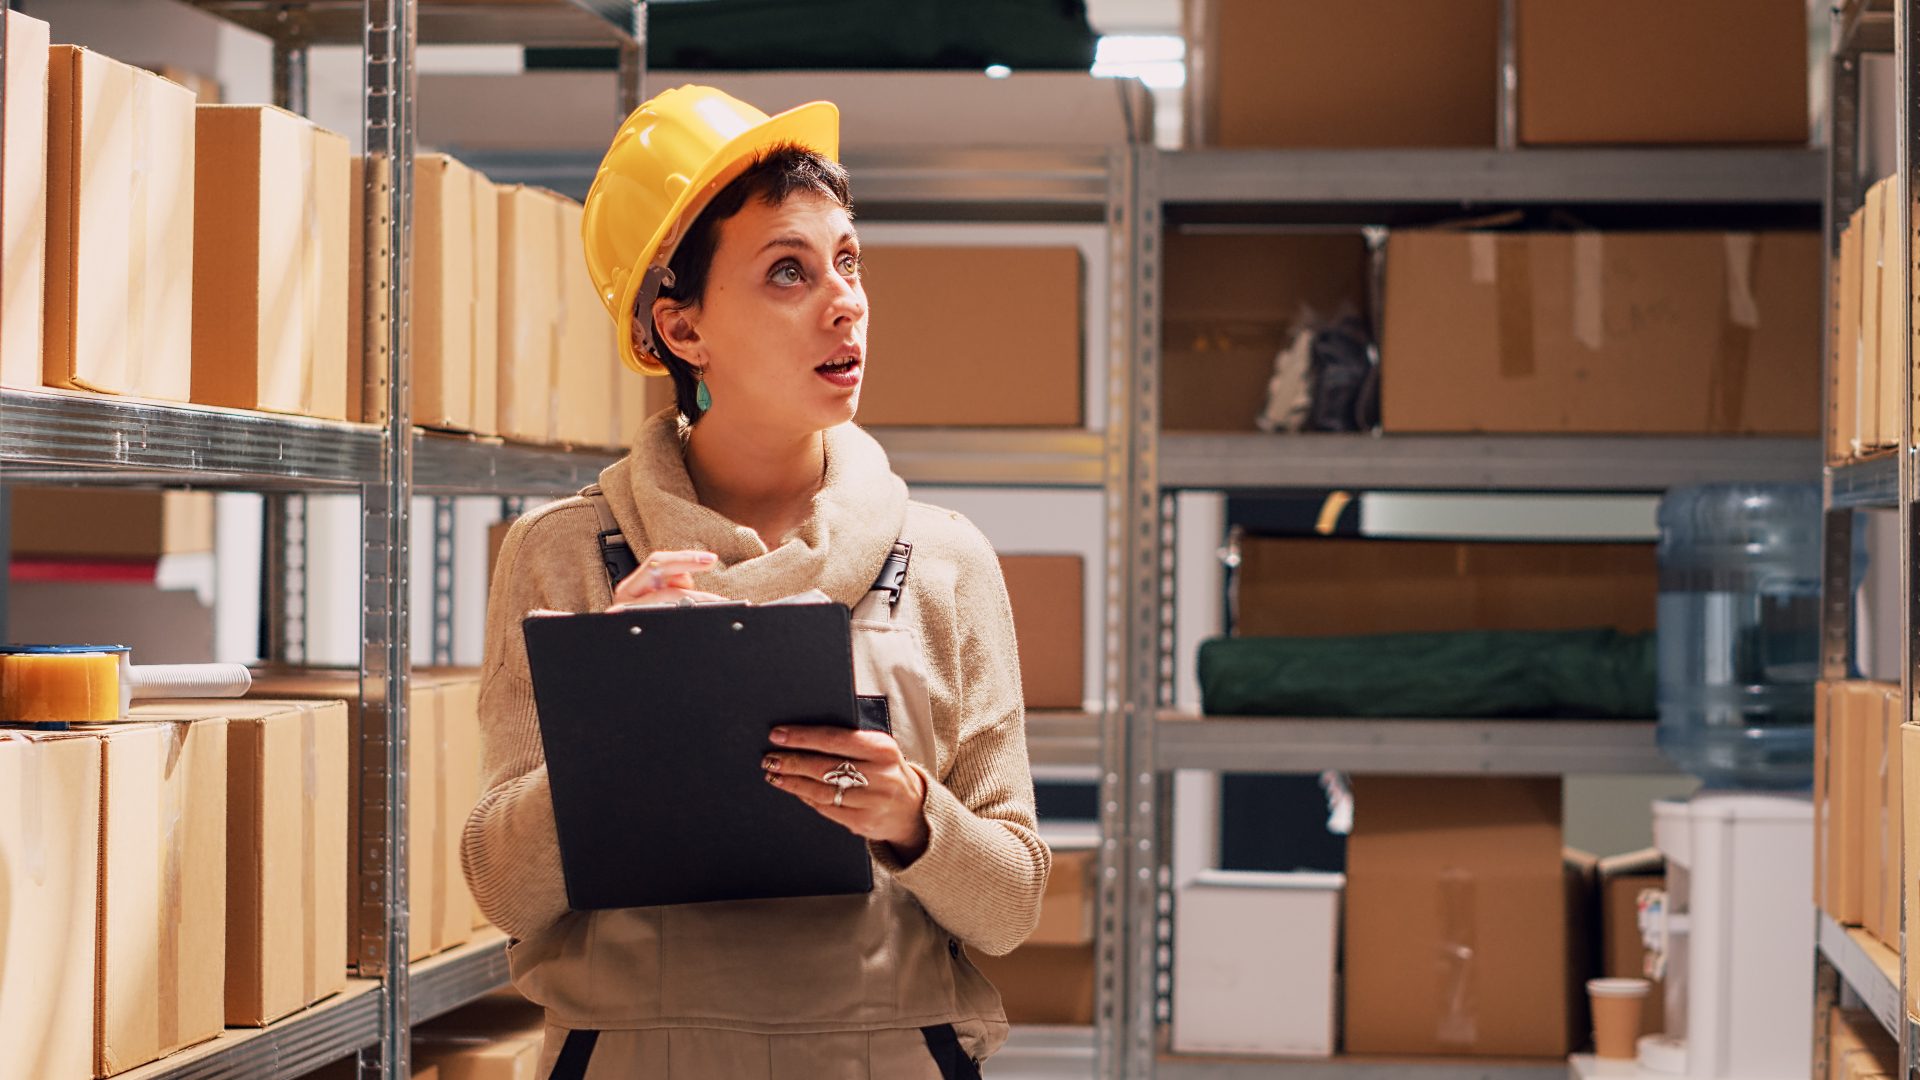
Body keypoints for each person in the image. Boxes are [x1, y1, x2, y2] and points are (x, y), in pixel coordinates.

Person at [463, 86, 1050, 1080]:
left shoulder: (947, 563)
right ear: (681, 330)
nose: (845, 300)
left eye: (848, 261)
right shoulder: (558, 557)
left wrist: (911, 812)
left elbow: (1014, 904)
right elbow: (501, 888)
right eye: (789, 270)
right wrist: (618, 712)